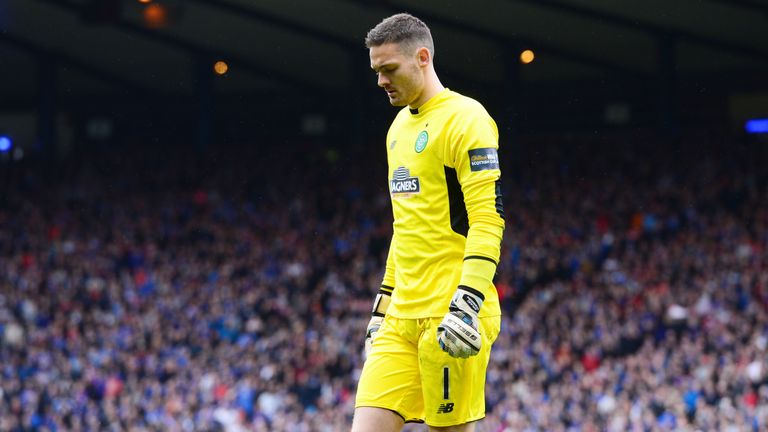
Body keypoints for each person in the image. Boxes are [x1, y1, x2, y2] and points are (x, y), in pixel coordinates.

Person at [352, 13, 505, 432]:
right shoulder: (397, 127)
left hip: (452, 313)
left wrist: (468, 301)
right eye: (376, 71)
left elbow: (488, 219)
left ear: (422, 57)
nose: (381, 80)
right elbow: (406, 226)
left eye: (389, 69)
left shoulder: (466, 119)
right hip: (401, 316)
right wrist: (382, 305)